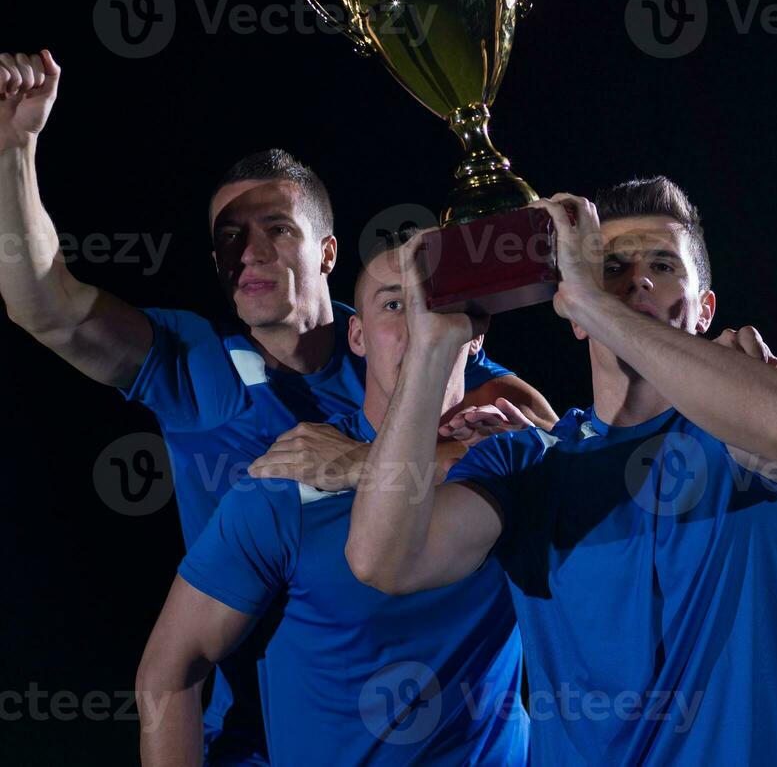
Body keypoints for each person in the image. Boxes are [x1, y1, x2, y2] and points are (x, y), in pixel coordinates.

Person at [0, 50, 554, 765]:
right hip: (262, 732)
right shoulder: (192, 364)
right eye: (228, 237)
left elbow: (535, 432)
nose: (248, 251)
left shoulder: (395, 336)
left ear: (326, 252)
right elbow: (46, 305)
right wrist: (16, 149)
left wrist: (364, 464)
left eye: (276, 229)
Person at [346, 177, 777, 765]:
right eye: (612, 267)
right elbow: (382, 559)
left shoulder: (737, 430)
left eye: (662, 264)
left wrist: (597, 301)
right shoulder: (526, 460)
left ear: (706, 309)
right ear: (573, 318)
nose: (639, 280)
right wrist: (431, 348)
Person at [135, 232, 529, 765]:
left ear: (475, 334)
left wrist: (373, 466)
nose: (420, 326)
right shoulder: (287, 485)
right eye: (394, 304)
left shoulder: (521, 460)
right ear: (358, 337)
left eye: (438, 305)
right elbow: (167, 675)